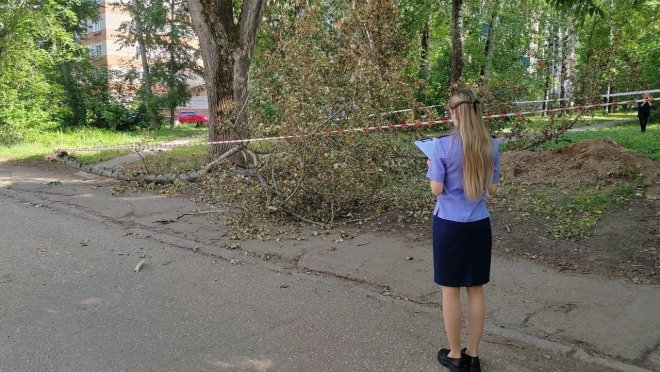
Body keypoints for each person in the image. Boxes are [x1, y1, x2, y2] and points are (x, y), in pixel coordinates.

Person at [426, 89, 500, 372]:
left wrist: (432, 165)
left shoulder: (441, 146)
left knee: (450, 291)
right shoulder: (491, 146)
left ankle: (455, 355)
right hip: (479, 224)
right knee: (476, 290)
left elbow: (436, 190)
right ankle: (474, 355)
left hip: (449, 226)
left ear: (453, 113)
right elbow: (492, 189)